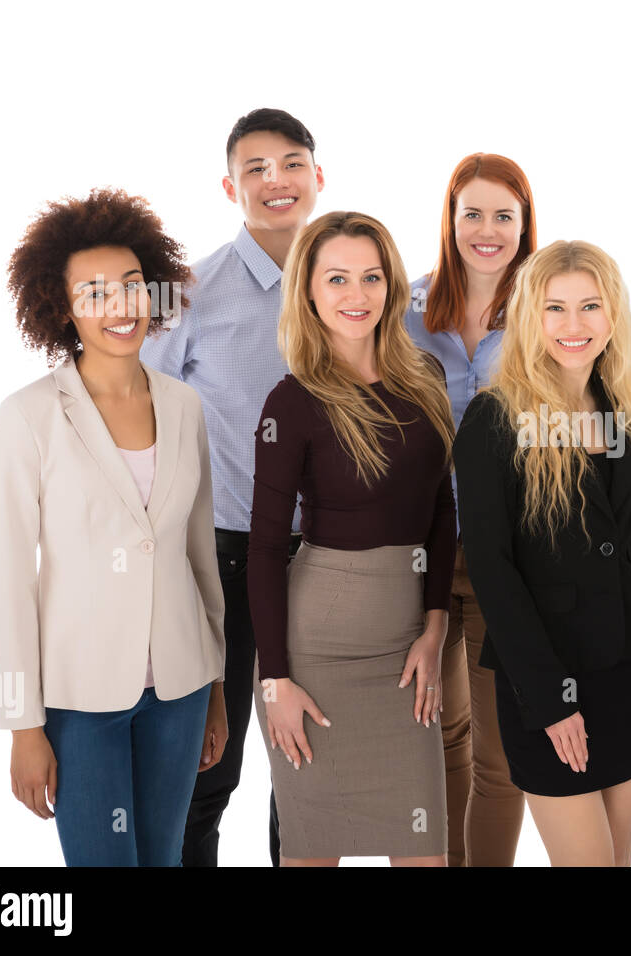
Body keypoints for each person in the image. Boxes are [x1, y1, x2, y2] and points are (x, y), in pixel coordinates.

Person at [0, 187, 227, 866]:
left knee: (165, 859)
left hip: (179, 691)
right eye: (94, 293)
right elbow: (9, 586)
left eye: (131, 286)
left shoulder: (184, 406)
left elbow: (197, 557)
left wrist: (213, 686)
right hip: (79, 697)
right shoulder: (29, 416)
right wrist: (22, 726)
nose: (119, 306)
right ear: (63, 308)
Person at [454, 240, 631, 866]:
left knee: (618, 855)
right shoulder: (493, 421)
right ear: (531, 316)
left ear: (612, 315)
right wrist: (552, 701)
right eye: (555, 308)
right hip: (549, 683)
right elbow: (493, 573)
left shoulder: (620, 415)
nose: (573, 324)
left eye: (590, 306)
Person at [141, 107, 324, 867]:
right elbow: (135, 415)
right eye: (255, 169)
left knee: (309, 770)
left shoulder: (352, 281)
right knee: (209, 767)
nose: (275, 182)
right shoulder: (186, 293)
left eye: (290, 164)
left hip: (330, 556)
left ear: (319, 177)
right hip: (225, 554)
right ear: (230, 186)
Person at [249, 211, 456, 866]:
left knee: (424, 848)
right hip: (315, 656)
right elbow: (263, 550)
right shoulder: (292, 402)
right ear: (308, 290)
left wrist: (435, 626)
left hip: (405, 655)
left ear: (392, 285)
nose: (357, 294)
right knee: (312, 852)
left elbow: (440, 517)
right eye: (337, 278)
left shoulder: (425, 378)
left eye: (371, 277)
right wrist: (275, 681)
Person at [402, 152, 536, 866]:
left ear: (524, 225)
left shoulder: (547, 312)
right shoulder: (406, 310)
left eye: (503, 216)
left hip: (504, 558)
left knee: (502, 750)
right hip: (419, 553)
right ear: (450, 221)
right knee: (440, 734)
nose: (487, 231)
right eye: (472, 214)